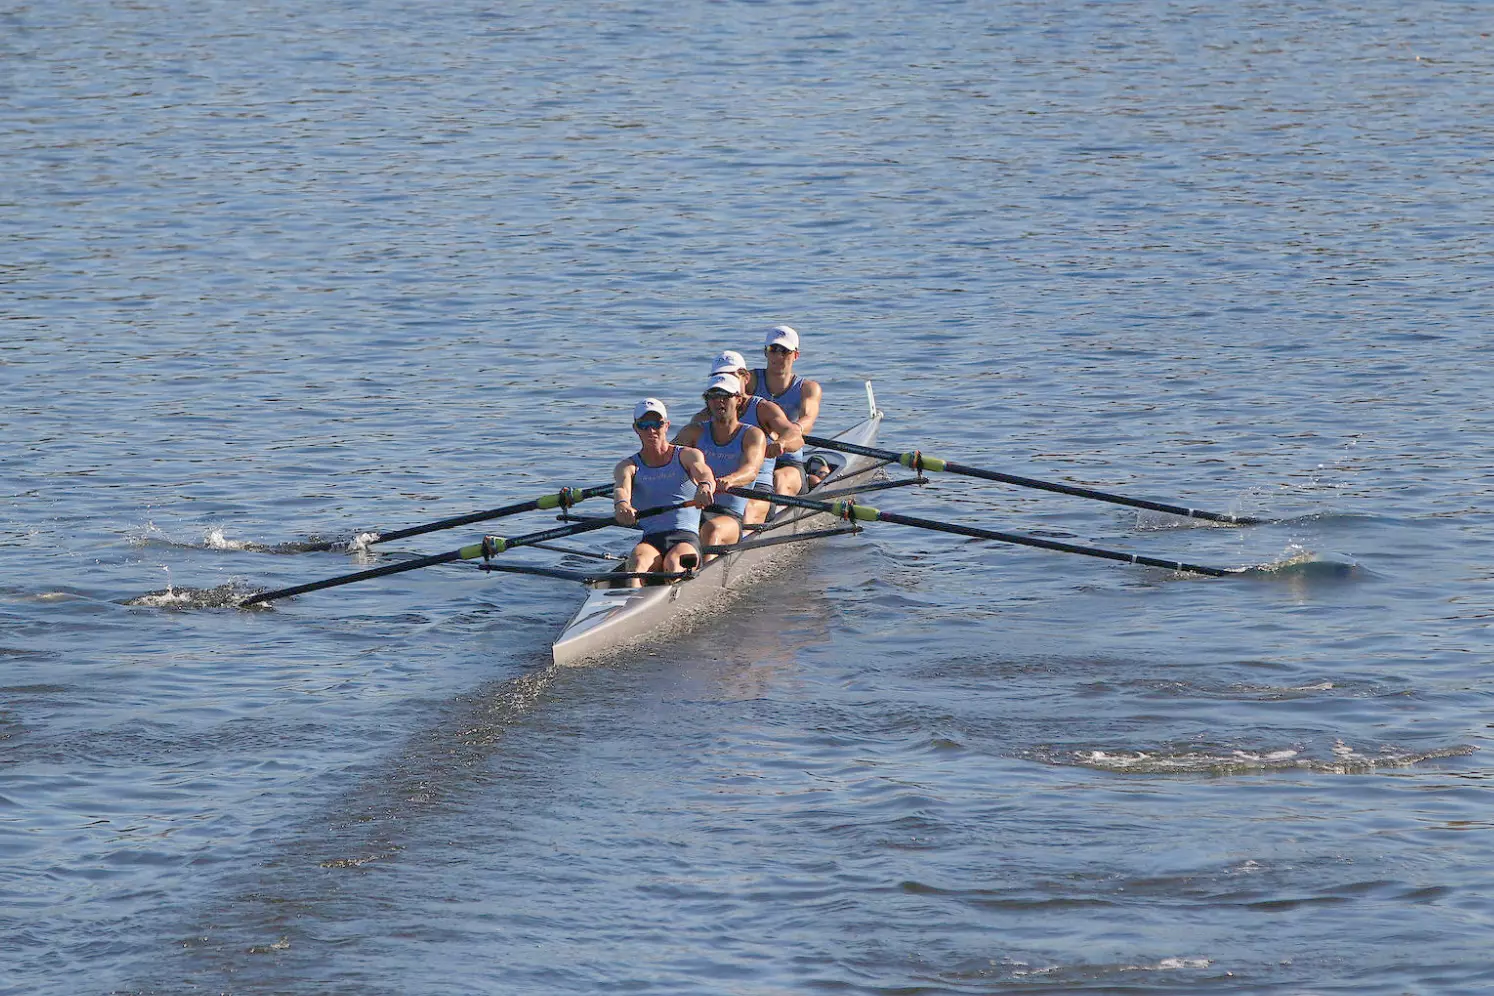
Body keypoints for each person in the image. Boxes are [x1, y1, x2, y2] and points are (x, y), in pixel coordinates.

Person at [692, 350, 804, 525]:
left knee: (748, 510)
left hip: (757, 487)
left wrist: (782, 443)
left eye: (730, 375)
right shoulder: (701, 419)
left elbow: (796, 436)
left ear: (745, 377)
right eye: (717, 377)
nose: (723, 382)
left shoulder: (763, 409)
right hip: (713, 489)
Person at [612, 398, 716, 587]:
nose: (651, 430)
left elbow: (704, 472)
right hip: (651, 540)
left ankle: (672, 590)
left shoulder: (687, 455)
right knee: (637, 564)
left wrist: (705, 486)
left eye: (657, 424)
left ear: (667, 425)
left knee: (674, 564)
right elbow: (621, 489)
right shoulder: (627, 466)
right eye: (644, 425)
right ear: (636, 429)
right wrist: (622, 505)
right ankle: (632, 599)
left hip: (685, 537)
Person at [672, 373, 767, 557]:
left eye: (725, 395)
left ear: (738, 399)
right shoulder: (693, 432)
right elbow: (666, 460)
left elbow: (751, 471)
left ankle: (704, 570)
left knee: (712, 530)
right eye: (713, 396)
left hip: (729, 515)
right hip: (694, 509)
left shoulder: (752, 435)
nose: (718, 401)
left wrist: (730, 480)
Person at [750, 325, 823, 496]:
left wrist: (784, 440)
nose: (778, 356)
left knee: (780, 479)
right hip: (752, 459)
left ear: (796, 355)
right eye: (773, 349)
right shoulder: (749, 381)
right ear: (765, 352)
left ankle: (779, 511)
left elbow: (807, 421)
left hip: (788, 461)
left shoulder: (807, 388)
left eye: (785, 351)